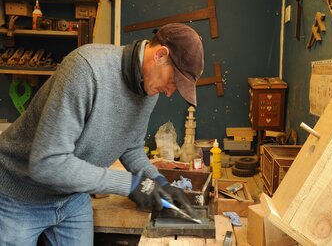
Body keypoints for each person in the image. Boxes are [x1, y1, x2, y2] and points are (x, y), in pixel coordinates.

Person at [0, 23, 204, 246]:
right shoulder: (86, 69)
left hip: (72, 197)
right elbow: (47, 163)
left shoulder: (149, 88)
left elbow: (131, 146)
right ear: (161, 55)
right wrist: (131, 184)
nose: (170, 91)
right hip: (19, 196)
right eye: (174, 81)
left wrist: (158, 181)